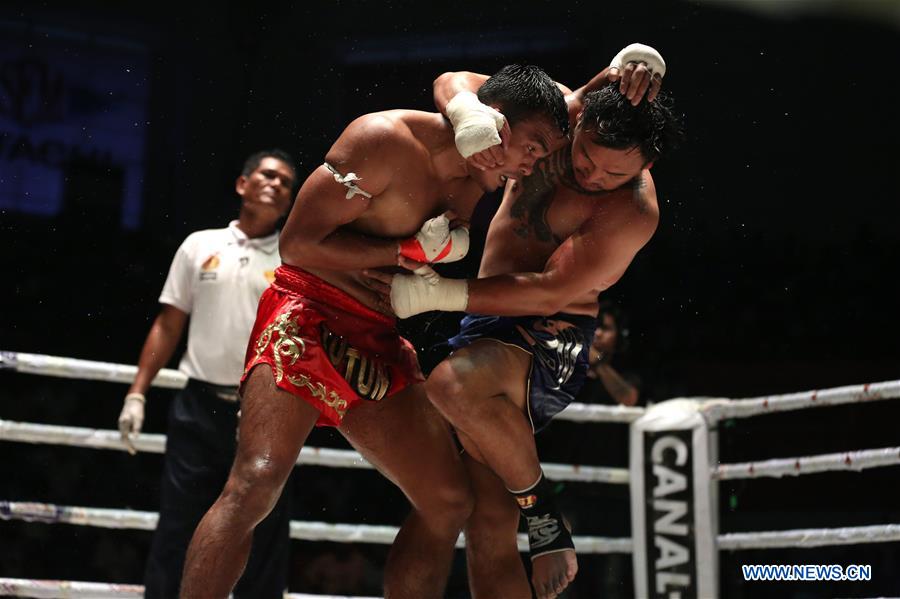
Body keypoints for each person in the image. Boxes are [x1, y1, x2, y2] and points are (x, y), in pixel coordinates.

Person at [178, 65, 572, 599]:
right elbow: (296, 244)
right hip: (307, 310)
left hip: (376, 335)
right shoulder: (383, 140)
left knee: (448, 500)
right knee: (256, 482)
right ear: (497, 122)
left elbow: (556, 101)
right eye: (533, 147)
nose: (532, 166)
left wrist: (624, 72)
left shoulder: (479, 173)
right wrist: (401, 253)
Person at [365, 43, 682, 599]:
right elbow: (453, 79)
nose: (592, 175)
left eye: (614, 172)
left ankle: (542, 513)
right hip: (481, 319)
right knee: (469, 517)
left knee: (453, 383)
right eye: (586, 158)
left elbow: (550, 290)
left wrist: (439, 295)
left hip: (550, 332)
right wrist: (469, 115)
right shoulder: (558, 115)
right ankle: (525, 513)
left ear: (645, 166)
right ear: (578, 125)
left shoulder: (632, 211)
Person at [117, 150, 297, 598]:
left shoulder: (296, 258)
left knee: (264, 533)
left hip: (268, 411)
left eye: (287, 183)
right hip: (198, 408)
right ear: (242, 184)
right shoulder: (200, 244)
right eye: (268, 175)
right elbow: (168, 323)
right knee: (179, 526)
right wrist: (137, 394)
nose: (277, 185)